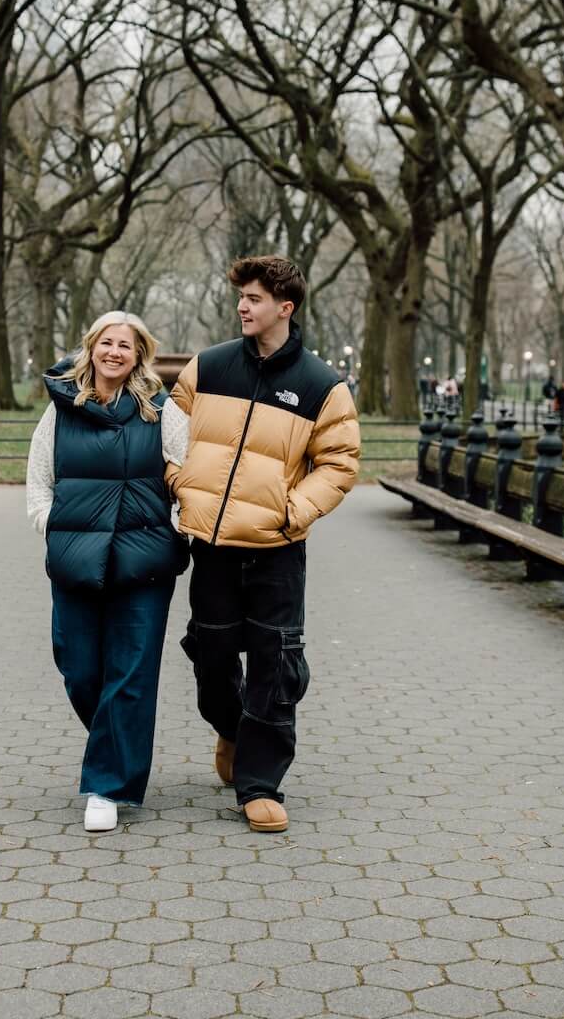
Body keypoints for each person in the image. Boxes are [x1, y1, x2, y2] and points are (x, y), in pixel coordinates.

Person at [169, 255, 361, 834]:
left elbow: (339, 463)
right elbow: (168, 435)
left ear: (285, 307)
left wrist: (291, 513)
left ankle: (259, 784)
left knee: (275, 666)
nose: (242, 307)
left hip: (277, 551)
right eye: (241, 297)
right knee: (211, 658)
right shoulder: (208, 367)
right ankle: (231, 729)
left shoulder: (322, 386)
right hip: (212, 547)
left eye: (254, 299)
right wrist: (180, 485)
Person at [26, 312, 191, 833]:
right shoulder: (62, 409)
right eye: (106, 342)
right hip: (75, 557)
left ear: (139, 354)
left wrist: (174, 530)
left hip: (144, 562)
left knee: (131, 672)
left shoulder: (160, 410)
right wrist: (52, 525)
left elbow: (186, 476)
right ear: (91, 347)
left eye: (126, 344)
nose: (115, 352)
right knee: (78, 666)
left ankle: (107, 786)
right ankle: (116, 746)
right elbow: (39, 477)